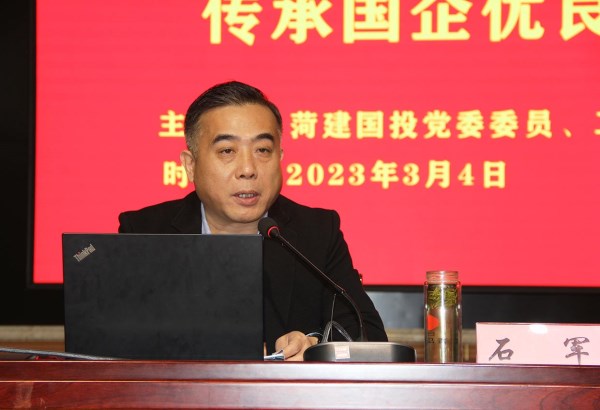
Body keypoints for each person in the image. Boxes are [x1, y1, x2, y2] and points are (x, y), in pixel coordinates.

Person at [118, 80, 388, 360]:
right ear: (190, 164)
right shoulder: (144, 231)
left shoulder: (317, 233)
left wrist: (315, 347)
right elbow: (112, 343)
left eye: (263, 150)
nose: (248, 169)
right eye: (227, 151)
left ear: (280, 157)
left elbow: (368, 337)